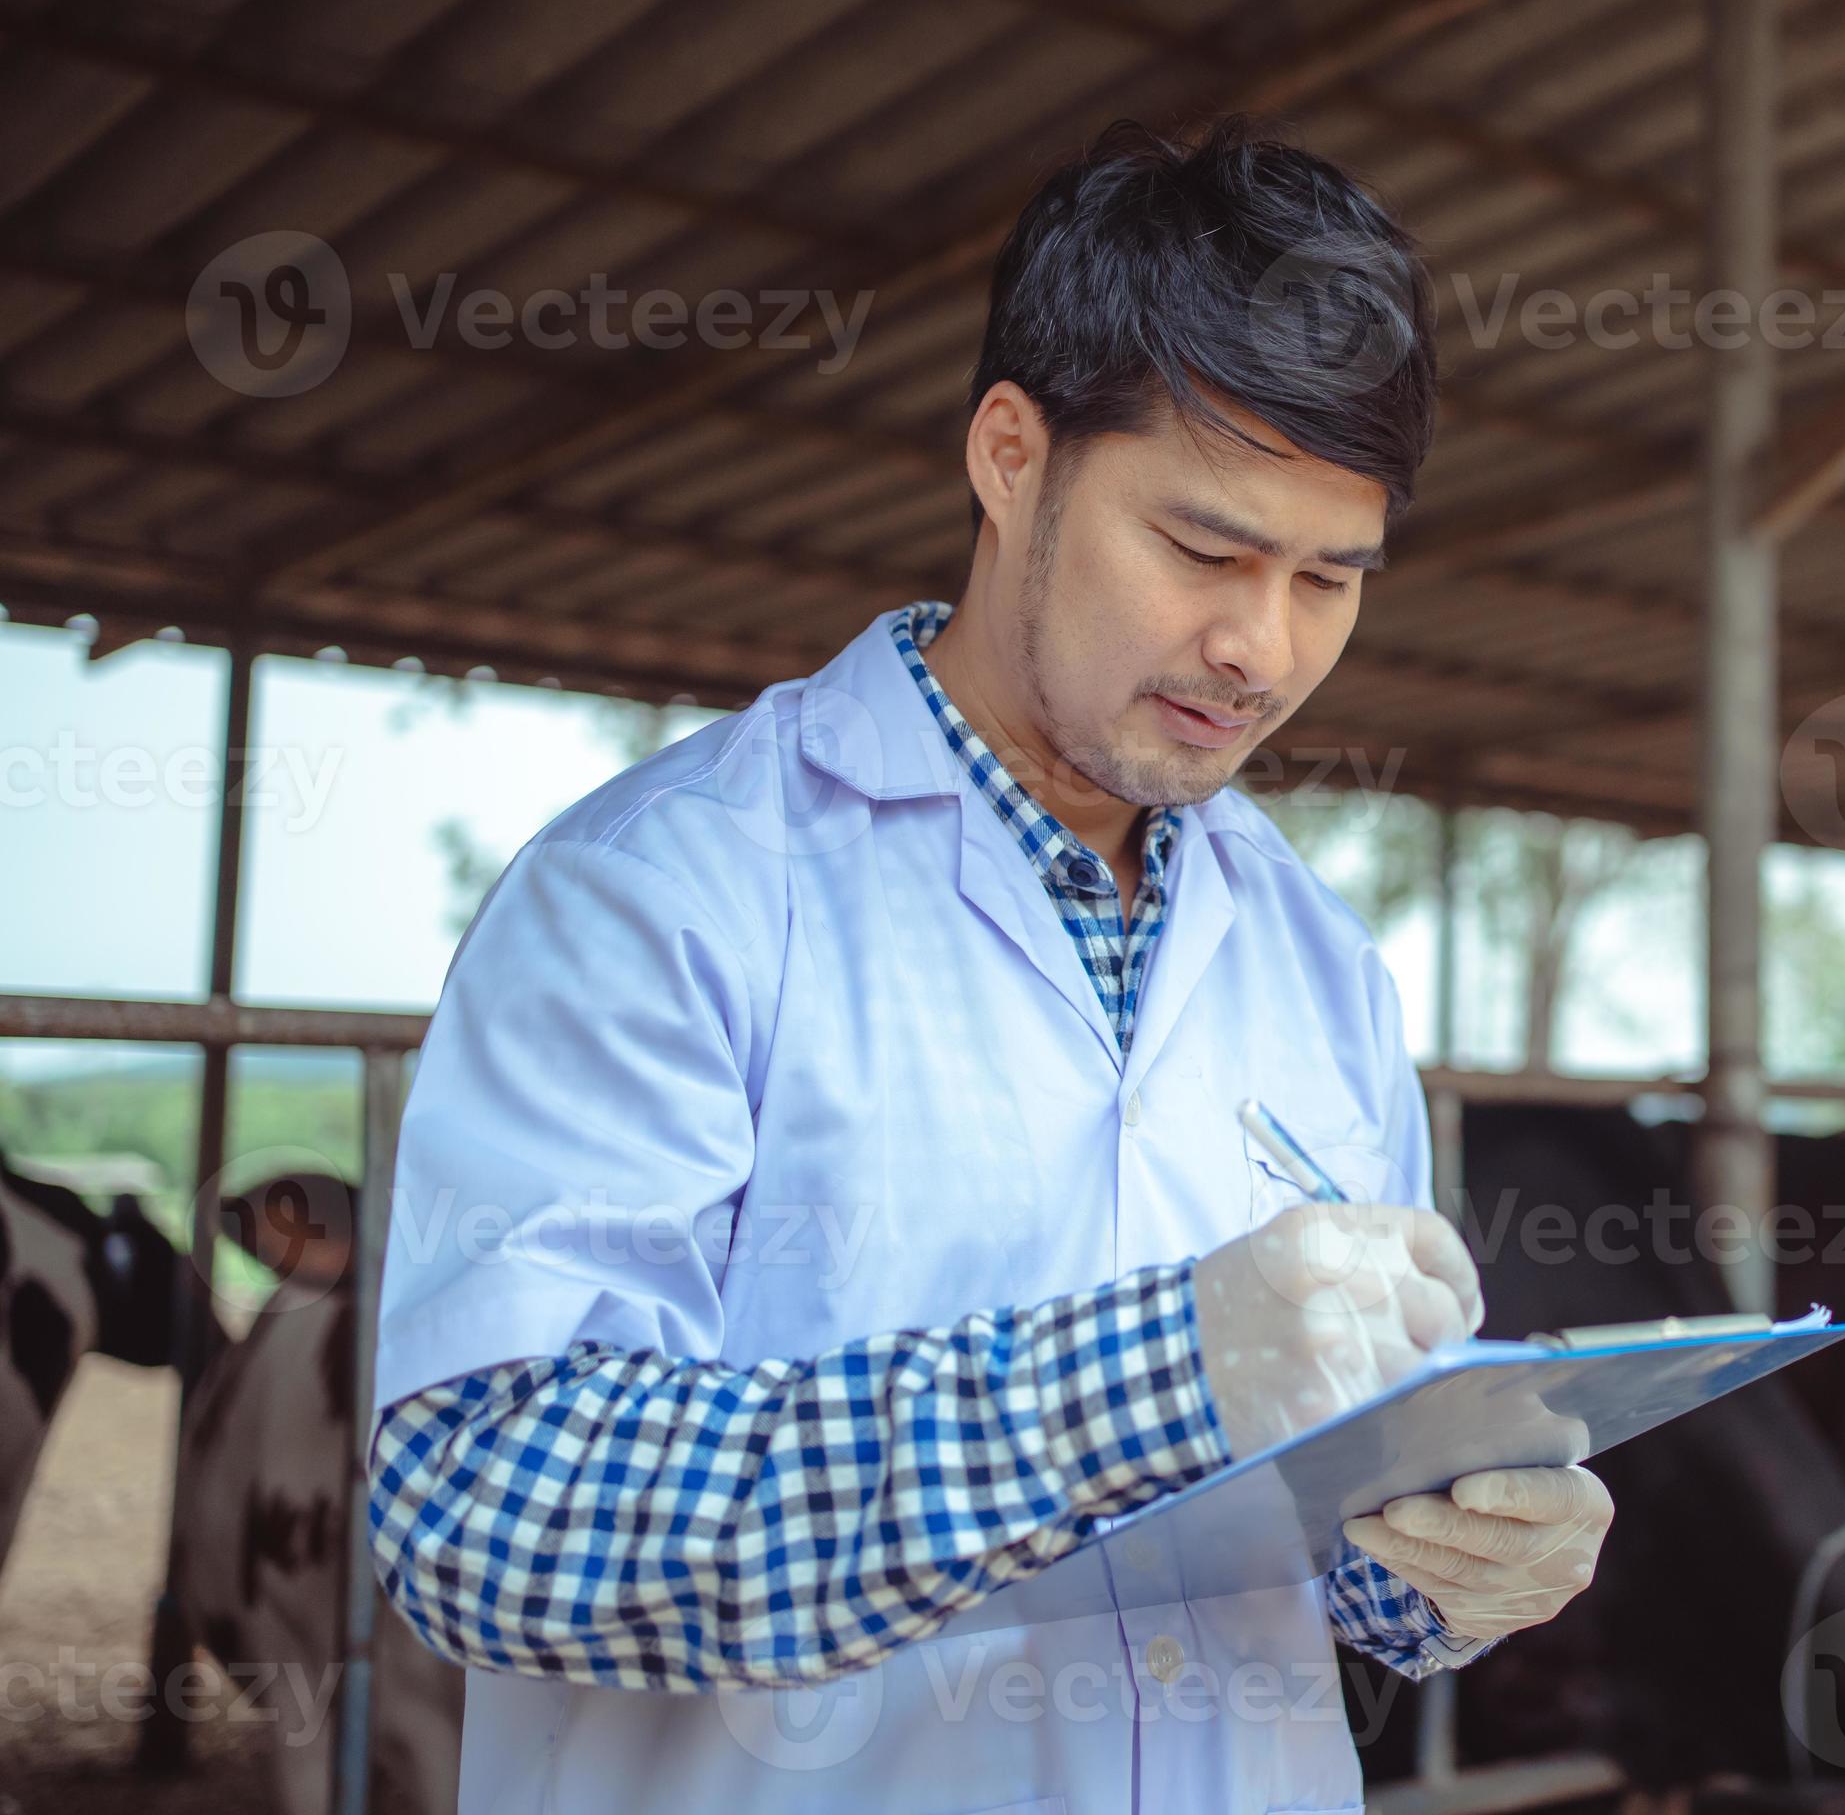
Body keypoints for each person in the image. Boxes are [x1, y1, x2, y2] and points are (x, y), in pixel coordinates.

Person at [364, 116, 1613, 1814]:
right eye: (1205, 551)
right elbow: (485, 1518)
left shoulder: (1318, 962)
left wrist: (1448, 1560)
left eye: (1330, 579)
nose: (1261, 648)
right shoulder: (666, 890)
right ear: (1012, 457)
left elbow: (1313, 1509)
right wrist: (1157, 1381)